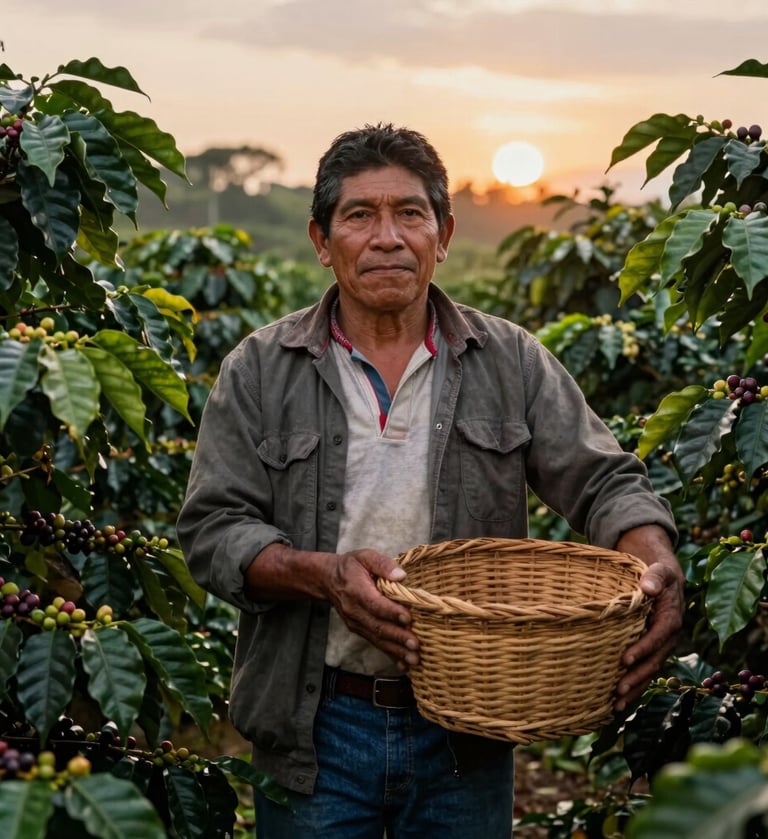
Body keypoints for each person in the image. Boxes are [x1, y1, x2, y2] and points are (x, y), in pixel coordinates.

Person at [176, 122, 684, 838]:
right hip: (315, 724)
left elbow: (604, 482)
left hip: (467, 728)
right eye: (359, 215)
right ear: (322, 242)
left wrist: (657, 562)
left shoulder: (510, 361)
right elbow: (213, 529)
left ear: (442, 234)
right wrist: (324, 574)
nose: (388, 236)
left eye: (409, 213)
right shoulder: (260, 371)